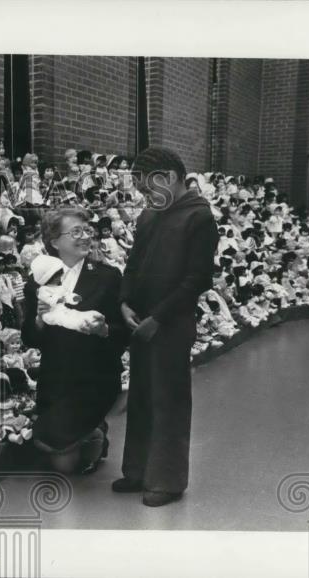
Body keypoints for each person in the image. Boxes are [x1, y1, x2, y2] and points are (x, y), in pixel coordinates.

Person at [115, 147, 219, 507]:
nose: (145, 197)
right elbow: (132, 264)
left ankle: (168, 480)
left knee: (169, 399)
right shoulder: (149, 215)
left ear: (170, 178)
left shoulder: (199, 217)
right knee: (141, 395)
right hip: (140, 320)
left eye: (149, 189)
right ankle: (138, 470)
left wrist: (158, 317)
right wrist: (125, 302)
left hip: (171, 323)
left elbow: (198, 279)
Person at [21, 207, 129, 474]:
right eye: (76, 232)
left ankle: (94, 431)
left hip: (95, 378)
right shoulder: (37, 281)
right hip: (56, 380)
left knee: (65, 465)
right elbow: (30, 338)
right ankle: (93, 434)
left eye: (87, 231)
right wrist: (38, 321)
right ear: (54, 241)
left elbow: (124, 333)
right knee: (61, 465)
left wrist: (104, 331)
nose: (85, 237)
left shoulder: (108, 276)